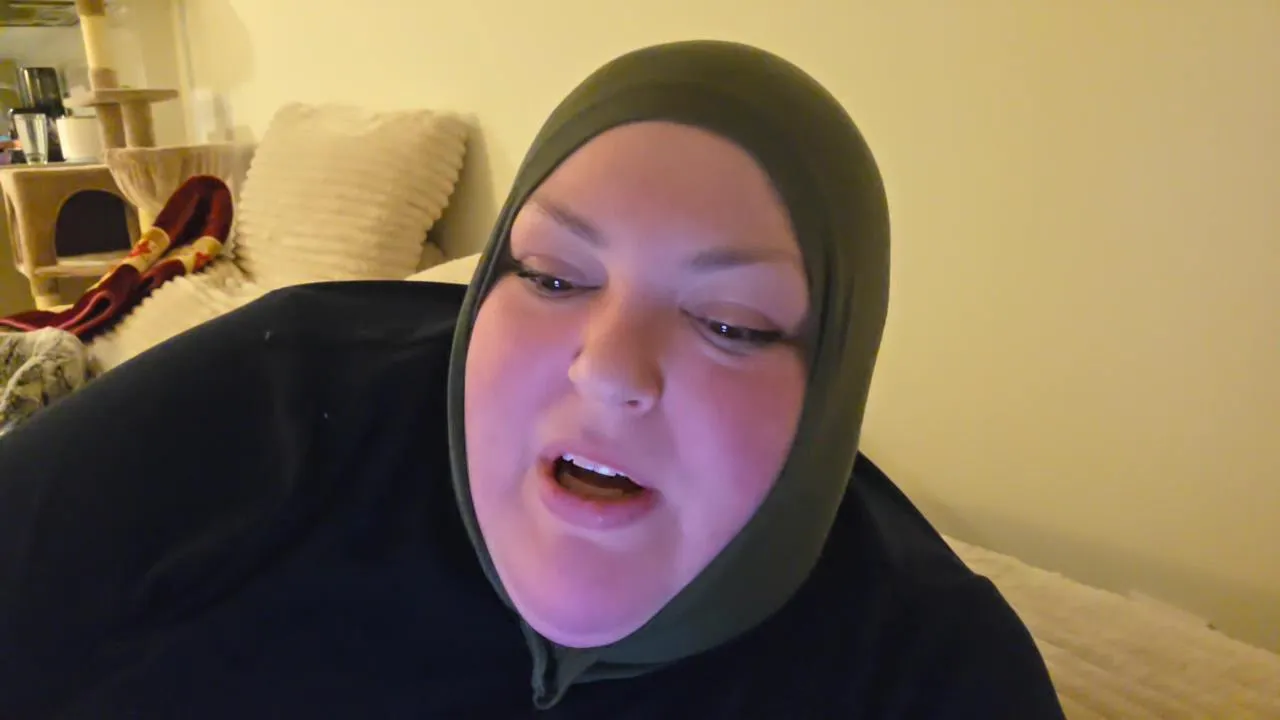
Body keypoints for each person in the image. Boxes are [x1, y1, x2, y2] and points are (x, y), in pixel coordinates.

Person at [0, 41, 1065, 718]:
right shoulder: (276, 397)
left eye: (731, 324)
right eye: (551, 274)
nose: (608, 369)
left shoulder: (931, 674)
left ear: (832, 391)